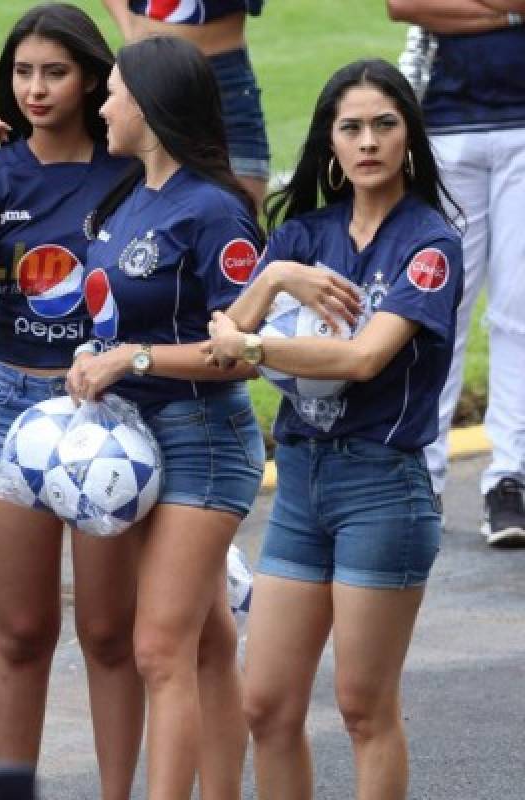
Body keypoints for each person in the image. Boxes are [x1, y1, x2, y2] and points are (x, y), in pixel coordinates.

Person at [205, 58, 461, 799]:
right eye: (351, 127)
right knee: (267, 704)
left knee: (362, 706)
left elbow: (361, 357)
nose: (368, 141)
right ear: (331, 142)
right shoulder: (304, 236)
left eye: (385, 123)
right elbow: (225, 326)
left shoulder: (429, 243)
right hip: (302, 486)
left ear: (409, 135)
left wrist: (252, 345)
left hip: (384, 490)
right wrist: (277, 280)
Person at [0, 6, 142, 797]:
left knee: (106, 633)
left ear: (92, 76)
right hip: (11, 411)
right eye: (23, 72)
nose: (35, 88)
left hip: (105, 412)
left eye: (54, 72)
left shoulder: (123, 166)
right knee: (22, 632)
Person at [64, 36, 265, 800]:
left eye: (112, 91)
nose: (102, 105)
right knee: (207, 644)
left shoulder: (214, 210)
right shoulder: (129, 199)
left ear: (148, 107)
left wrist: (133, 359)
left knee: (158, 650)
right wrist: (95, 362)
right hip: (142, 443)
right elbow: (122, 323)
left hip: (203, 443)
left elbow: (245, 354)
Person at [386, 1, 525, 546]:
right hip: (443, 123)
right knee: (437, 308)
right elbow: (405, 4)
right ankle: (424, 474)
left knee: (519, 309)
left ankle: (510, 479)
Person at [101, 0, 271, 212]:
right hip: (148, 73)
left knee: (242, 209)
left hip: (224, 74)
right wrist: (131, 29)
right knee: (133, 210)